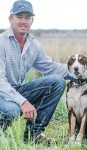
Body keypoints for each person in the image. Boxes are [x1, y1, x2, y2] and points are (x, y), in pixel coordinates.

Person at [0, 0, 69, 144]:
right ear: (10, 19)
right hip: (1, 92)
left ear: (32, 20)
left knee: (57, 82)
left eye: (27, 17)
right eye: (19, 16)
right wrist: (23, 102)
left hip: (16, 90)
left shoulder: (34, 45)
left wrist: (81, 72)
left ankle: (34, 135)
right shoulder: (1, 43)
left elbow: (51, 68)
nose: (23, 21)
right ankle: (2, 133)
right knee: (12, 109)